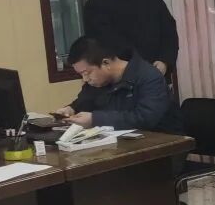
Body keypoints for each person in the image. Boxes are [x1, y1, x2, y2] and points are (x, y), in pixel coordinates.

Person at [54, 36, 183, 135]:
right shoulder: (98, 82)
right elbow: (84, 102)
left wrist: (95, 119)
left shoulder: (149, 77)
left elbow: (145, 118)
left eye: (86, 73)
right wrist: (71, 110)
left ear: (106, 63)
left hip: (163, 145)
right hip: (122, 144)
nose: (85, 79)